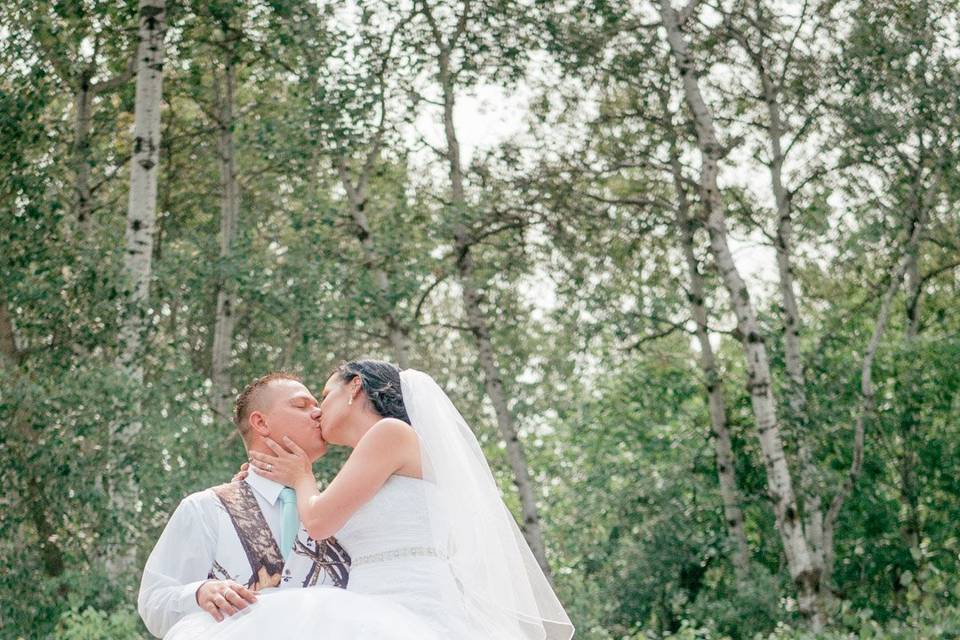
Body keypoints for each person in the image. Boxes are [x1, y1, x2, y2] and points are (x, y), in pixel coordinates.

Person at [231, 359, 575, 640]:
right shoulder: (379, 456)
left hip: (407, 601)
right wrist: (263, 485)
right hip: (370, 600)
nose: (319, 411)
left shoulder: (390, 433)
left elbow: (318, 521)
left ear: (355, 387)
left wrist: (300, 476)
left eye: (325, 395)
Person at [137, 372, 356, 639]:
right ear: (260, 423)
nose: (318, 413)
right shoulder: (206, 509)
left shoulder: (339, 513)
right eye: (301, 405)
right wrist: (198, 592)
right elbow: (153, 600)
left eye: (317, 405)